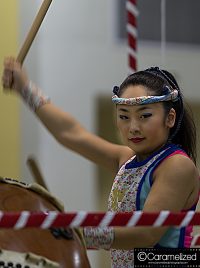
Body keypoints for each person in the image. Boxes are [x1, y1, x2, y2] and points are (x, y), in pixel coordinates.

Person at [2, 57, 200, 267]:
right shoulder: (126, 159)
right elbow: (70, 133)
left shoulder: (177, 165)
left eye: (145, 116)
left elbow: (146, 232)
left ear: (169, 118)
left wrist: (78, 233)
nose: (133, 127)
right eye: (124, 117)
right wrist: (25, 88)